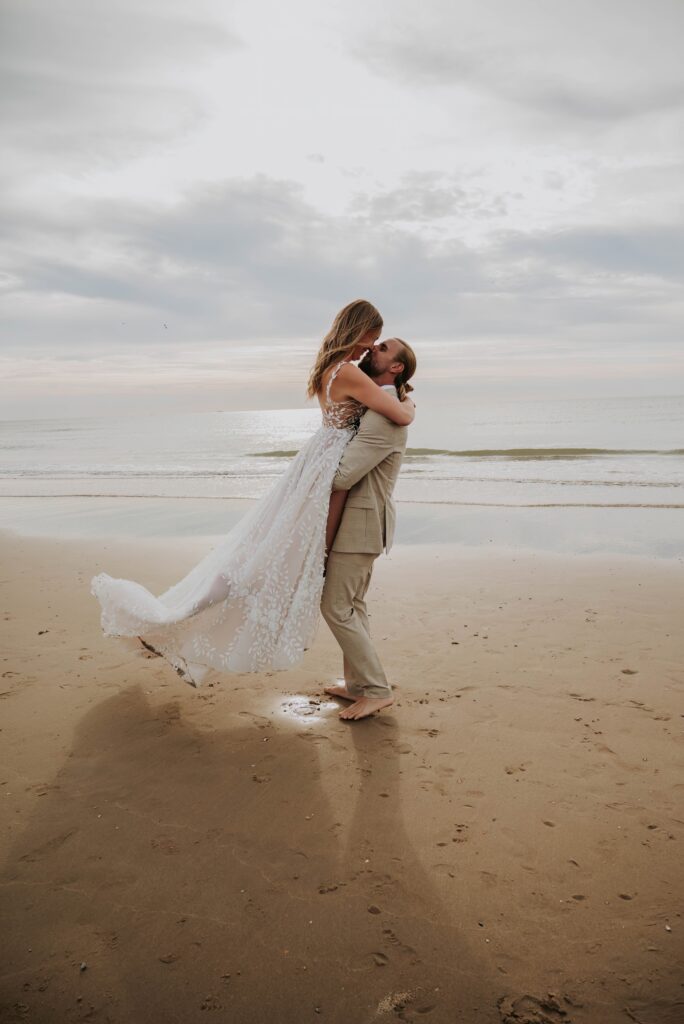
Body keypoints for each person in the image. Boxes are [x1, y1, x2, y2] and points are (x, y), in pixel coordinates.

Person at [90, 300, 415, 688]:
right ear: (357, 330)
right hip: (325, 471)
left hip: (314, 464)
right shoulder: (349, 373)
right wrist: (409, 402)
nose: (370, 346)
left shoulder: (330, 370)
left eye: (378, 343)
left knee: (261, 556)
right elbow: (400, 416)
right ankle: (174, 620)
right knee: (275, 562)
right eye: (371, 338)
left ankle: (175, 616)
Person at [321, 338, 416, 720]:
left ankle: (376, 690)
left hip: (360, 525)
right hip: (362, 524)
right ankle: (359, 685)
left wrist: (314, 456)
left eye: (383, 348)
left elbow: (342, 476)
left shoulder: (382, 418)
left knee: (335, 606)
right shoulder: (383, 408)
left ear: (396, 367)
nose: (373, 348)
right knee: (352, 605)